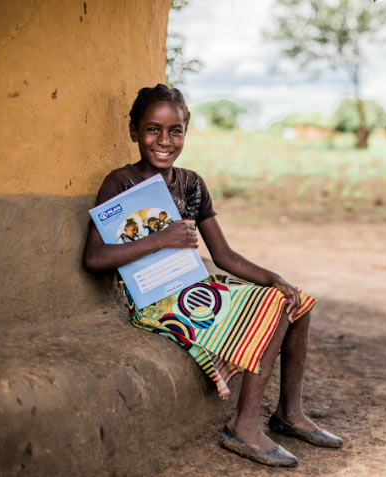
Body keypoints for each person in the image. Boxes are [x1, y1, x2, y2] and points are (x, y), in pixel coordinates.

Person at [83, 84, 342, 467]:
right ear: (133, 131)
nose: (164, 140)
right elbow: (95, 257)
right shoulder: (120, 183)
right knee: (269, 310)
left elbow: (223, 255)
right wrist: (162, 239)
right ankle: (243, 425)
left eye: (175, 131)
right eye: (153, 129)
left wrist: (273, 277)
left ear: (186, 132)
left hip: (194, 286)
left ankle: (289, 413)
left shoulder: (191, 184)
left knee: (292, 299)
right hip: (156, 301)